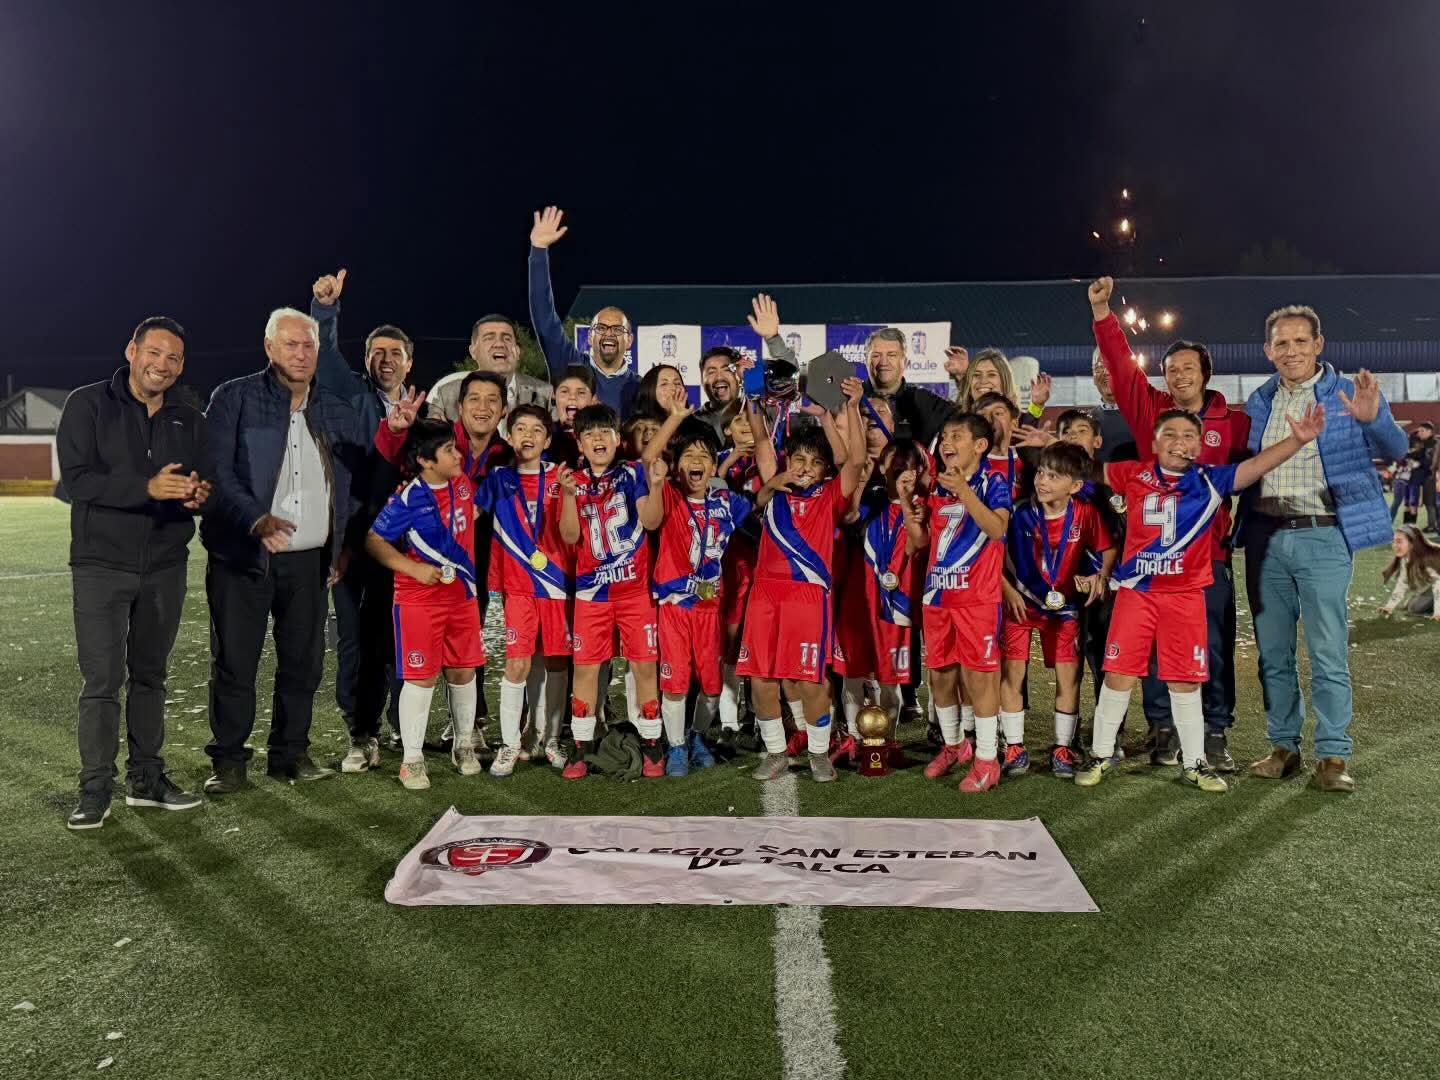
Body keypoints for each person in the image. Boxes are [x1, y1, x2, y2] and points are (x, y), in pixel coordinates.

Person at [1076, 406, 1327, 794]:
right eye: (1170, 434)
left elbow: (1257, 466)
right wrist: (1050, 444)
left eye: (1188, 436)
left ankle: (1194, 763)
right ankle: (1101, 754)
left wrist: (1296, 440)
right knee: (1119, 674)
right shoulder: (1133, 472)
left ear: (1198, 444)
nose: (1179, 442)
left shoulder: (1211, 479)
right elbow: (1088, 469)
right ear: (1155, 442)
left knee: (1184, 680)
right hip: (1137, 593)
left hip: (1185, 596)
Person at [1237, 304, 1408, 793]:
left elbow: (1397, 449)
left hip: (1325, 535)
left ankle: (1333, 755)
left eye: (1300, 341)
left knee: (1328, 651)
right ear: (1268, 351)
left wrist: (1373, 421)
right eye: (1281, 343)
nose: (1291, 351)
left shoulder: (1350, 395)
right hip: (1265, 538)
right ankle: (1283, 747)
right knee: (1273, 653)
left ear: (1319, 344)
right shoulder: (1258, 402)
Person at [200, 307, 365, 793]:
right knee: (236, 662)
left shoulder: (334, 407)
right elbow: (216, 471)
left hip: (310, 560)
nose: (301, 353)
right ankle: (229, 762)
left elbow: (351, 483)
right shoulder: (234, 397)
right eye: (291, 344)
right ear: (269, 347)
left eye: (308, 345)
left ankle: (290, 754)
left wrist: (341, 546)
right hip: (243, 557)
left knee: (303, 663)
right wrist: (255, 518)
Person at [1089, 276, 1251, 770]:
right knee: (1154, 649)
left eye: (1188, 368)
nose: (1179, 376)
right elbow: (1121, 368)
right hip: (1151, 561)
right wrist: (1102, 314)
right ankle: (1163, 729)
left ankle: (1215, 730)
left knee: (1213, 648)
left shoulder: (1233, 422)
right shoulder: (1152, 413)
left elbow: (1251, 476)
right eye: (1171, 369)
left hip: (1207, 558)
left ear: (1205, 373)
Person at [57, 316, 209, 829]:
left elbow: (202, 482)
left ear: (181, 366)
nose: (162, 365)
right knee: (103, 680)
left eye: (174, 358)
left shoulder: (189, 419)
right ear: (132, 351)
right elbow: (76, 481)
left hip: (165, 566)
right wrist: (145, 487)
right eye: (155, 353)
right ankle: (95, 788)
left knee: (151, 676)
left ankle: (146, 780)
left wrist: (198, 495)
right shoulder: (87, 403)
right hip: (101, 565)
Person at [375, 372, 514, 762]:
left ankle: (466, 733)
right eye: (474, 398)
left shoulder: (503, 455)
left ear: (503, 410)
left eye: (492, 400)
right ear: (460, 405)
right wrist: (396, 431)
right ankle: (406, 742)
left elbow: (487, 500)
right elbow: (394, 460)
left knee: (466, 657)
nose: (483, 407)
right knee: (413, 662)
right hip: (420, 577)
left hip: (470, 573)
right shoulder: (437, 442)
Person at [309, 268, 410, 766]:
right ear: (367, 359)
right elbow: (326, 356)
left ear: (410, 362)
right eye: (377, 352)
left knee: (399, 637)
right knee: (354, 638)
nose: (386, 359)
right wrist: (326, 310)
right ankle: (359, 730)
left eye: (395, 352)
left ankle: (401, 725)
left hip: (404, 546)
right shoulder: (351, 393)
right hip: (354, 539)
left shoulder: (424, 410)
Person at [742, 386, 866, 783]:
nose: (806, 468)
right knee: (761, 678)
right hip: (765, 594)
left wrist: (846, 410)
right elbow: (761, 437)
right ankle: (776, 752)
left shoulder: (830, 497)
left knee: (812, 681)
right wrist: (751, 396)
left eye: (815, 462)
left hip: (808, 596)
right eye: (799, 459)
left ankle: (818, 753)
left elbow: (856, 460)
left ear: (825, 470)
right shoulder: (774, 485)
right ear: (787, 461)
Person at [365, 419, 486, 789]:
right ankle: (412, 760)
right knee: (421, 678)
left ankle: (463, 745)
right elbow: (374, 540)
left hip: (462, 596)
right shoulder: (407, 499)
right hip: (419, 601)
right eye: (448, 450)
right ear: (425, 460)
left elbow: (469, 512)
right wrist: (412, 568)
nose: (457, 455)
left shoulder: (462, 484)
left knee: (464, 672)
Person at [558, 404, 666, 779]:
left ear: (618, 439)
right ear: (580, 443)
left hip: (634, 591)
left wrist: (656, 485)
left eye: (604, 432)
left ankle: (652, 741)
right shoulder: (572, 481)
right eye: (589, 434)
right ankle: (580, 744)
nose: (598, 439)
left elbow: (651, 520)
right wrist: (568, 496)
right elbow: (569, 536)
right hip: (592, 593)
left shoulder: (632, 473)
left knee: (644, 666)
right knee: (586, 669)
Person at [646, 407, 754, 774]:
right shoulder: (670, 496)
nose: (696, 462)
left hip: (710, 607)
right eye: (688, 455)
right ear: (676, 466)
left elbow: (760, 505)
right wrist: (675, 419)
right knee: (675, 683)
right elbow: (650, 458)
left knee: (711, 684)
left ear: (713, 466)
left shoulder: (726, 503)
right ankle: (676, 746)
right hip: (675, 607)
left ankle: (696, 736)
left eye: (704, 456)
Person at [1000, 442, 1114, 778]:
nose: (1042, 481)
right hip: (1021, 603)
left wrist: (1100, 575)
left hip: (1064, 607)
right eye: (1041, 473)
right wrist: (1007, 590)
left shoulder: (1085, 513)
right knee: (1012, 673)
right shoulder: (1019, 513)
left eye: (1053, 476)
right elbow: (991, 554)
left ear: (1075, 486)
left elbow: (1107, 548)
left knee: (1069, 675)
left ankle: (1063, 747)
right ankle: (1014, 746)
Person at [916, 413, 1013, 792]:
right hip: (937, 595)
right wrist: (912, 515)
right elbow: (923, 542)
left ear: (980, 445)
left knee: (979, 678)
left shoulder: (994, 482)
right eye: (944, 436)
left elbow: (998, 529)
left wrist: (964, 491)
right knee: (940, 674)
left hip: (977, 599)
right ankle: (954, 745)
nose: (947, 442)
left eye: (957, 436)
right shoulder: (935, 486)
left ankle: (988, 759)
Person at [478, 404, 573, 777]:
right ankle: (510, 744)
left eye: (536, 430)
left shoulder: (562, 478)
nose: (528, 436)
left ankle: (550, 739)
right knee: (517, 662)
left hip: (556, 584)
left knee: (556, 661)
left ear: (547, 440)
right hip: (517, 586)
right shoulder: (498, 478)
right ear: (509, 435)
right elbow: (469, 512)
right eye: (520, 428)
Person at [831, 439, 928, 759]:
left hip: (896, 606)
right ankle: (853, 737)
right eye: (894, 464)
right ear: (883, 466)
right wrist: (862, 481)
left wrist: (906, 497)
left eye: (908, 467)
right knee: (852, 673)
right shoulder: (871, 498)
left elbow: (918, 544)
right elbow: (848, 517)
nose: (902, 472)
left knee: (890, 679)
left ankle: (887, 740)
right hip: (858, 599)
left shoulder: (922, 506)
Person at [527, 206, 640, 414]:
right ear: (589, 336)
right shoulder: (570, 363)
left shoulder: (640, 389)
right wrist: (539, 251)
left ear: (630, 340)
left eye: (617, 329)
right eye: (601, 328)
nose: (608, 333)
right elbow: (544, 318)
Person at [426, 313, 553, 422]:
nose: (499, 344)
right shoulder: (446, 394)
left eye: (507, 338)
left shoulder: (545, 394)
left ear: (518, 352)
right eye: (489, 338)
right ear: (473, 351)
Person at [1379, 526, 1440, 619]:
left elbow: (1438, 584)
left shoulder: (1426, 558)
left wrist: (1437, 612)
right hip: (1432, 589)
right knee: (1413, 607)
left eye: (1399, 541)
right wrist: (1389, 607)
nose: (1394, 545)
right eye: (1394, 541)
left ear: (1412, 543)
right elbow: (1403, 584)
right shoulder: (1406, 559)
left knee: (1416, 608)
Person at [697, 347, 744, 437]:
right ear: (702, 381)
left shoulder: (758, 416)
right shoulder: (691, 423)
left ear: (739, 376)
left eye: (727, 370)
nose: (719, 377)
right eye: (711, 372)